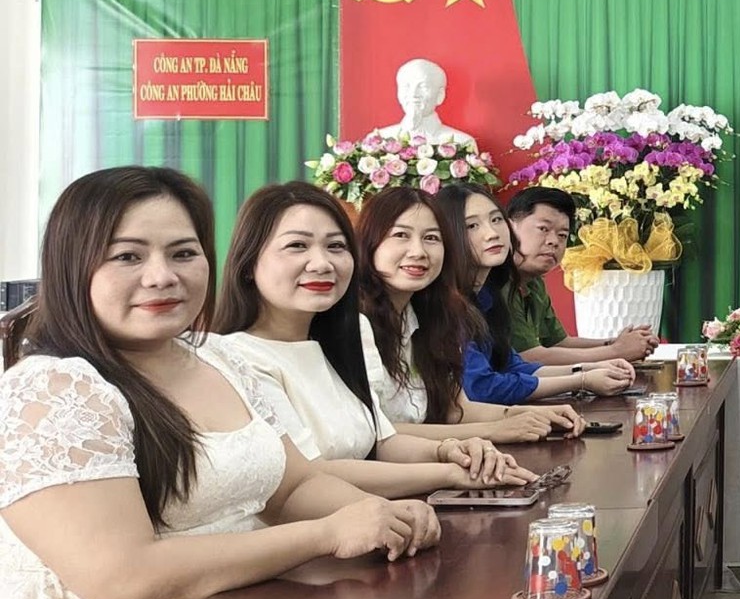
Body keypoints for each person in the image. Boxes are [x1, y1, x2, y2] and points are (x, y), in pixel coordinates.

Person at [0, 167, 439, 599]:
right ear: (71, 266)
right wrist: (329, 533)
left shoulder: (217, 357)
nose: (162, 276)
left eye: (183, 253)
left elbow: (293, 485)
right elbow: (124, 579)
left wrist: (379, 515)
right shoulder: (55, 389)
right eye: (128, 256)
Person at [207, 183, 535, 499]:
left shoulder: (344, 336)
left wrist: (449, 450)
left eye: (336, 246)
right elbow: (306, 476)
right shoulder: (237, 358)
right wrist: (448, 471)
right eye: (297, 246)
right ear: (248, 262)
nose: (322, 263)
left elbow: (381, 439)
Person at [353, 189, 581, 443]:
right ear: (369, 242)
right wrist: (494, 429)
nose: (418, 251)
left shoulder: (437, 313)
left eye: (431, 238)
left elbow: (455, 409)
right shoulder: (355, 324)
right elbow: (375, 432)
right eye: (401, 235)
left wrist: (530, 415)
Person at [436, 185, 634, 406]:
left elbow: (513, 366)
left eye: (496, 220)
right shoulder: (445, 304)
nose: (492, 233)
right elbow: (482, 388)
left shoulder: (486, 296)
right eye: (472, 225)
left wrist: (590, 369)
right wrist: (582, 379)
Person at [504, 187, 654, 365]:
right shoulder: (498, 282)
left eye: (562, 235)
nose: (554, 241)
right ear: (508, 228)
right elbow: (530, 357)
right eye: (543, 229)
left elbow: (559, 343)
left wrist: (616, 343)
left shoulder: (534, 282)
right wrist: (617, 351)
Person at [373, 58, 476, 149]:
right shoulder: (378, 141)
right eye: (406, 86)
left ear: (440, 95)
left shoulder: (462, 143)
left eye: (423, 87)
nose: (413, 94)